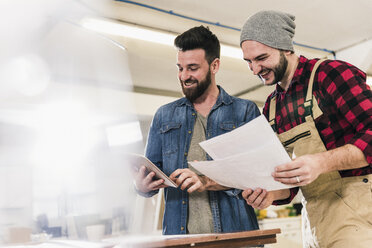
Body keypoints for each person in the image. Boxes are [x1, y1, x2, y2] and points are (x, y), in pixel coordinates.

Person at [239, 10, 372, 248]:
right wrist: (270, 194)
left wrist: (321, 163)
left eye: (261, 58)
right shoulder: (271, 107)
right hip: (314, 221)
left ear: (285, 48)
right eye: (248, 62)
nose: (255, 69)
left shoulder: (330, 75)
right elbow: (288, 183)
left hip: (360, 213)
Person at [134, 26, 261, 235]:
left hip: (236, 239)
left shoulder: (244, 111)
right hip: (181, 240)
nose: (184, 76)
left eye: (192, 68)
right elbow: (151, 175)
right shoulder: (164, 116)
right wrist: (142, 186)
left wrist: (205, 181)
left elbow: (256, 173)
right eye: (180, 68)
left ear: (215, 65)